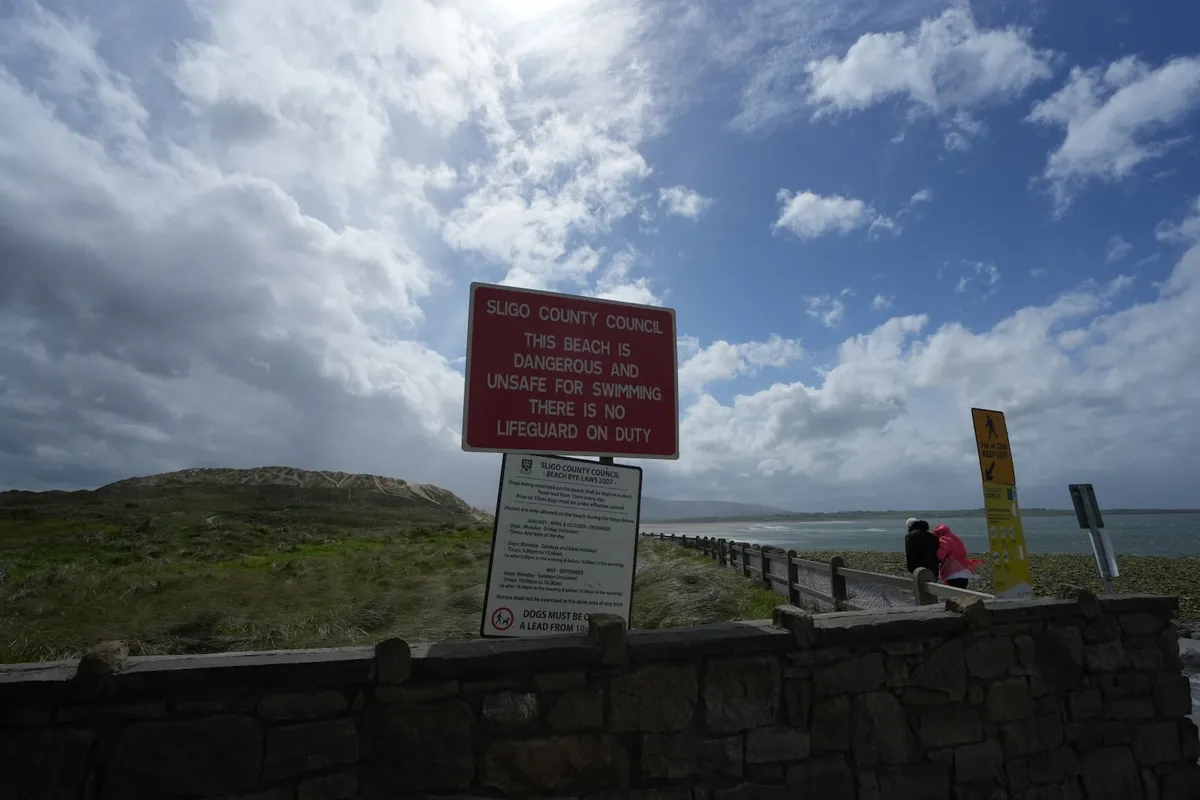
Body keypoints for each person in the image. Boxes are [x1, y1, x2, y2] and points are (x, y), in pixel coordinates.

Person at [933, 524, 984, 589]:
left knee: (954, 595)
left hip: (952, 573)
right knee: (962, 594)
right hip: (964, 571)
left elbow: (940, 556)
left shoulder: (944, 539)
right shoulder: (956, 538)